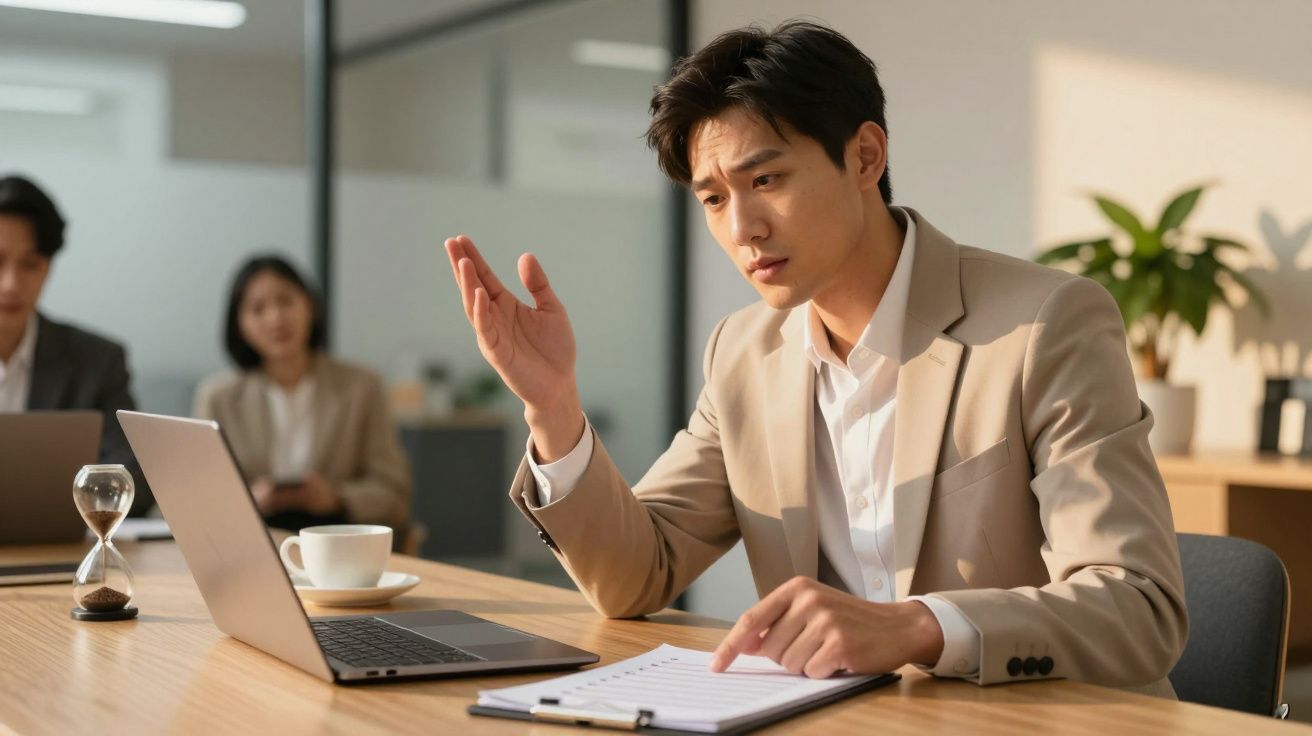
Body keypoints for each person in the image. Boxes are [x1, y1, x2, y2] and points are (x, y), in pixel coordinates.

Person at [444, 21, 1186, 696]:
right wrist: (554, 409)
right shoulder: (743, 353)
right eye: (713, 199)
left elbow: (1140, 605)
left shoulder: (1044, 324)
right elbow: (637, 575)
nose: (743, 227)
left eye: (766, 180)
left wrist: (916, 626)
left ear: (865, 157)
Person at [193, 256, 411, 534]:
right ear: (239, 325)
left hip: (340, 538)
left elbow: (394, 492)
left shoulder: (363, 387)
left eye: (286, 301)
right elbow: (199, 497)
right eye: (258, 309)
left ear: (311, 306)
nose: (276, 318)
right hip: (251, 538)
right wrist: (251, 500)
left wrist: (336, 497)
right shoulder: (217, 397)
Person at [0, 174, 154, 517]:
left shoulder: (96, 362)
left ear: (48, 268)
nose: (10, 283)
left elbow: (133, 479)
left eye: (30, 264)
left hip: (58, 542)